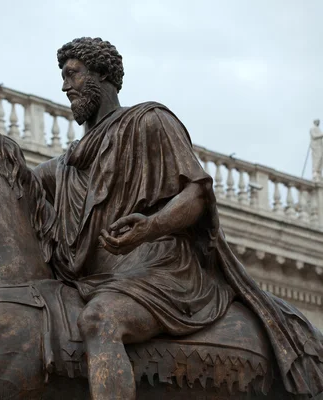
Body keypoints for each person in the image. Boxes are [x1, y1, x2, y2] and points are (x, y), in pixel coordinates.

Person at [35, 37, 323, 399]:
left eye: (72, 75)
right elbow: (14, 183)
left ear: (102, 74)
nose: (65, 87)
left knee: (101, 320)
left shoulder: (150, 122)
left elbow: (196, 195)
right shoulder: (65, 165)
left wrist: (149, 227)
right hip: (101, 274)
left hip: (162, 267)